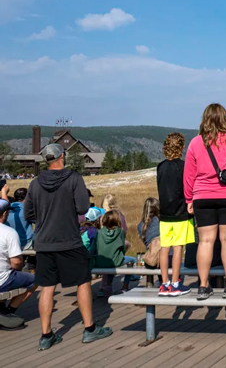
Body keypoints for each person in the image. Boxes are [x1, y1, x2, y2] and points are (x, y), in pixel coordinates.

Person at [24, 144, 112, 350]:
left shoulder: (35, 184)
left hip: (44, 242)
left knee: (47, 287)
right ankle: (89, 329)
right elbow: (82, 207)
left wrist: (45, 217)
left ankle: (46, 335)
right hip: (69, 240)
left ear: (47, 160)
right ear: (62, 156)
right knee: (83, 281)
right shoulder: (73, 178)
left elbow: (27, 214)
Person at [184, 103, 226, 300]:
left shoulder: (196, 143)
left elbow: (189, 174)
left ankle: (203, 285)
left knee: (205, 241)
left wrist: (189, 198)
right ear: (225, 120)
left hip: (203, 196)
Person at [157, 132, 193, 296]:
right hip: (180, 211)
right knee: (178, 247)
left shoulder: (160, 166)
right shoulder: (184, 166)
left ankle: (164, 283)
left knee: (165, 248)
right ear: (182, 148)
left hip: (164, 213)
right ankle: (175, 282)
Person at [0, 199, 37, 329]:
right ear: (4, 214)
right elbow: (16, 262)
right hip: (2, 279)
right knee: (36, 279)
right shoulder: (9, 232)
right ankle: (8, 311)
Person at [96, 210, 136, 296]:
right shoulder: (120, 232)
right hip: (115, 260)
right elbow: (122, 248)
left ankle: (108, 284)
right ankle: (125, 286)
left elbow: (95, 248)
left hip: (101, 261)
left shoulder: (99, 232)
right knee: (132, 261)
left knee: (111, 262)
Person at [138, 197, 160, 265]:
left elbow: (146, 244)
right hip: (164, 258)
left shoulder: (140, 226)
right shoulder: (160, 222)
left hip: (151, 259)